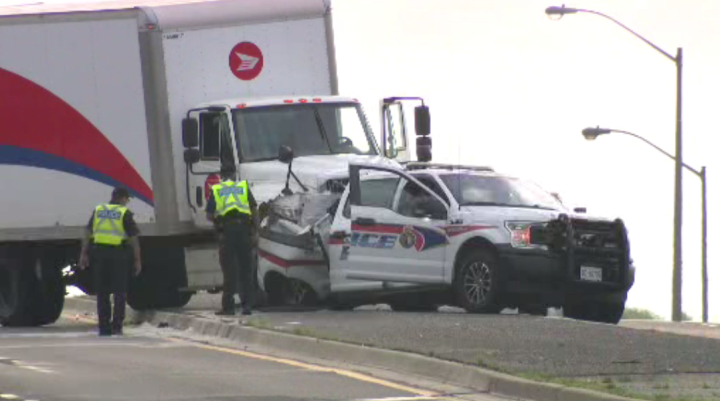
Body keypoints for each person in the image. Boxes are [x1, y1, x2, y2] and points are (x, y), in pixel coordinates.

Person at [78, 187, 141, 336]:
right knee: (120, 292)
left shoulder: (99, 210)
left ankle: (104, 327)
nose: (127, 202)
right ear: (121, 198)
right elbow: (133, 239)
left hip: (99, 254)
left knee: (102, 292)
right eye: (127, 199)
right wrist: (138, 260)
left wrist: (83, 253)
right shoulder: (124, 213)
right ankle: (117, 326)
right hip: (118, 255)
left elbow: (87, 232)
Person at [206, 165, 258, 316]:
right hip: (244, 231)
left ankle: (228, 308)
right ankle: (247, 306)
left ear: (221, 176)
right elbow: (254, 209)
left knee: (229, 271)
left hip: (227, 233)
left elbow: (209, 215)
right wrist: (254, 231)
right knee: (246, 270)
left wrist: (219, 223)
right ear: (234, 174)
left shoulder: (217, 189)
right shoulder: (243, 187)